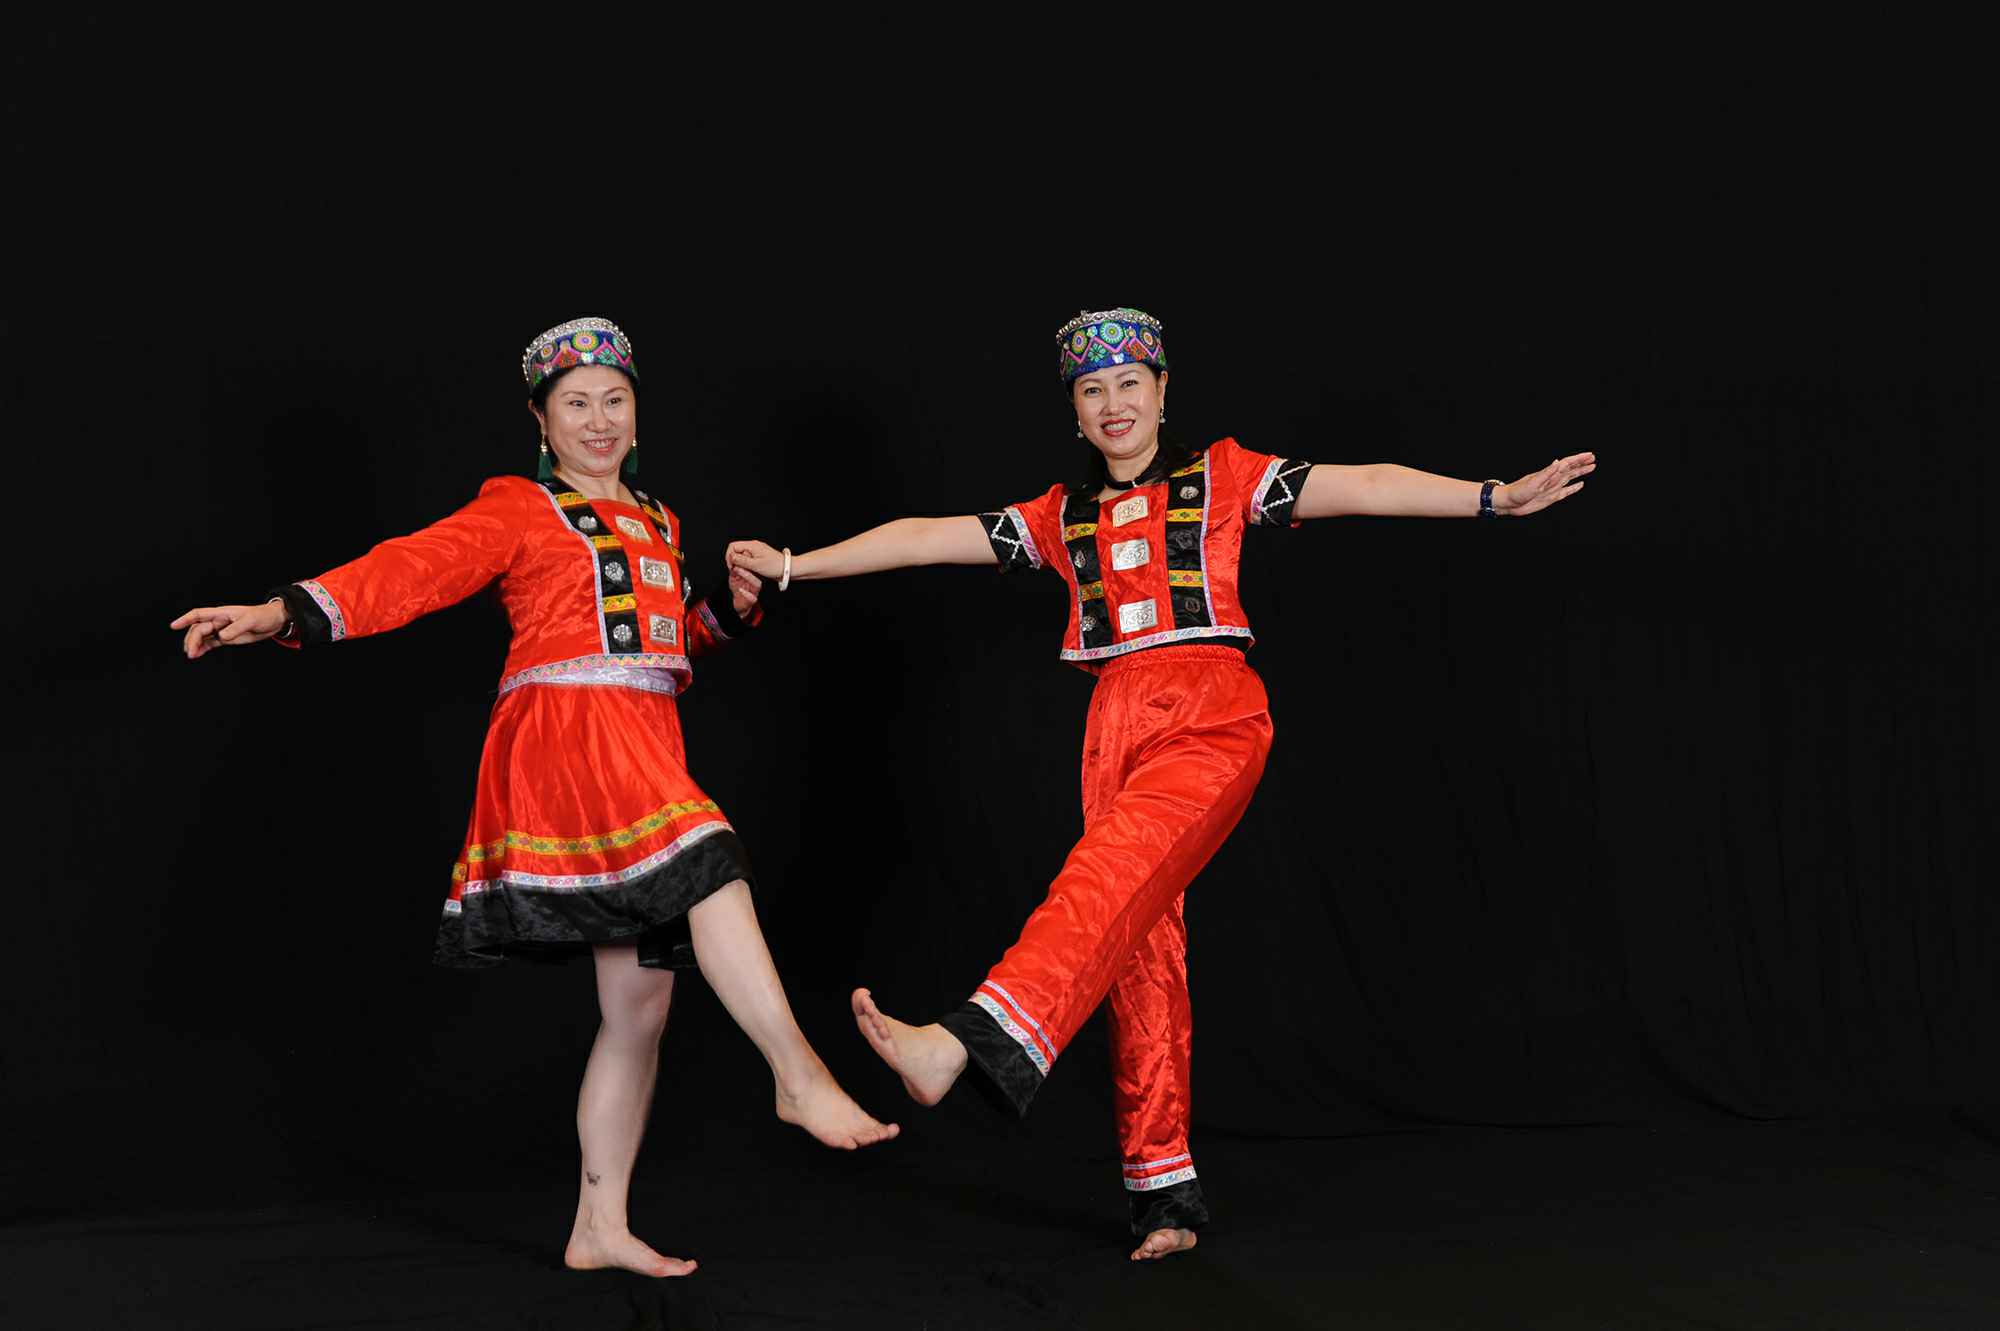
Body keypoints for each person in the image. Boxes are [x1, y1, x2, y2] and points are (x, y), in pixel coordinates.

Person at [725, 306, 1594, 1261]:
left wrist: (1491, 497)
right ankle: (1163, 1194)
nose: (1114, 404)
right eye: (1093, 389)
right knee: (1139, 944)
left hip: (1212, 707)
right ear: (1074, 411)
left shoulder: (1224, 476)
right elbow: (927, 536)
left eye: (1130, 383)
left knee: (1103, 881)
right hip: (1114, 724)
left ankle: (969, 1038)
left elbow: (1364, 483)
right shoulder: (1060, 516)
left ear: (1164, 389)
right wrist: (796, 566)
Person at [171, 316, 896, 1279]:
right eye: (575, 404)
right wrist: (283, 611)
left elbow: (667, 644)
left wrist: (729, 607)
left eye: (614, 399)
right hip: (565, 736)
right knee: (709, 859)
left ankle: (599, 1223)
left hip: (644, 737)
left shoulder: (661, 518)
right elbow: (414, 566)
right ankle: (797, 1074)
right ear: (541, 422)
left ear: (637, 410)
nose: (598, 420)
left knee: (640, 1007)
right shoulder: (520, 506)